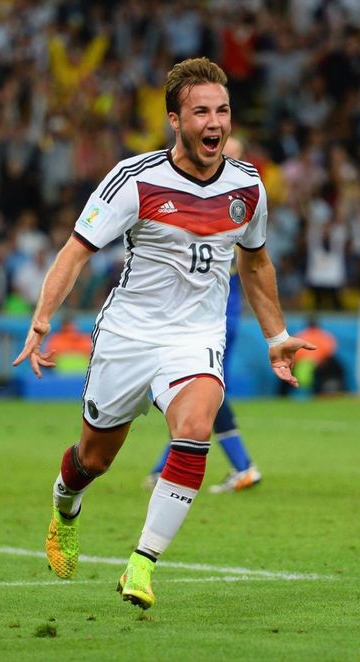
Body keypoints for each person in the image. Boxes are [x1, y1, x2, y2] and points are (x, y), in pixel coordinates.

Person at [13, 57, 315, 611]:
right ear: (175, 119)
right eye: (201, 111)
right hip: (128, 336)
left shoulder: (247, 186)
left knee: (197, 424)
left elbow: (255, 263)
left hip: (194, 338)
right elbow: (76, 251)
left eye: (222, 110)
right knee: (94, 459)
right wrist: (42, 318)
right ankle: (65, 505)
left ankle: (141, 564)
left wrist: (277, 336)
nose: (215, 122)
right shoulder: (136, 179)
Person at [144, 135, 261, 494]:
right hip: (207, 307)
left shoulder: (234, 202)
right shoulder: (218, 198)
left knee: (203, 387)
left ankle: (241, 465)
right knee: (191, 385)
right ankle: (169, 464)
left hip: (215, 309)